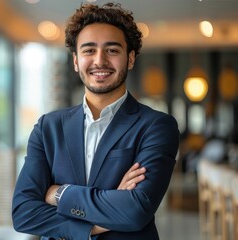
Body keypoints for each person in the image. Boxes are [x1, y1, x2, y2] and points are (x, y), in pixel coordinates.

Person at [12, 2, 179, 240]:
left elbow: (135, 210)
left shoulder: (156, 126)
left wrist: (59, 193)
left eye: (112, 50)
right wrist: (97, 222)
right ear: (76, 60)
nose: (99, 61)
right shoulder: (48, 128)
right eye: (89, 50)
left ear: (130, 59)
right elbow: (23, 213)